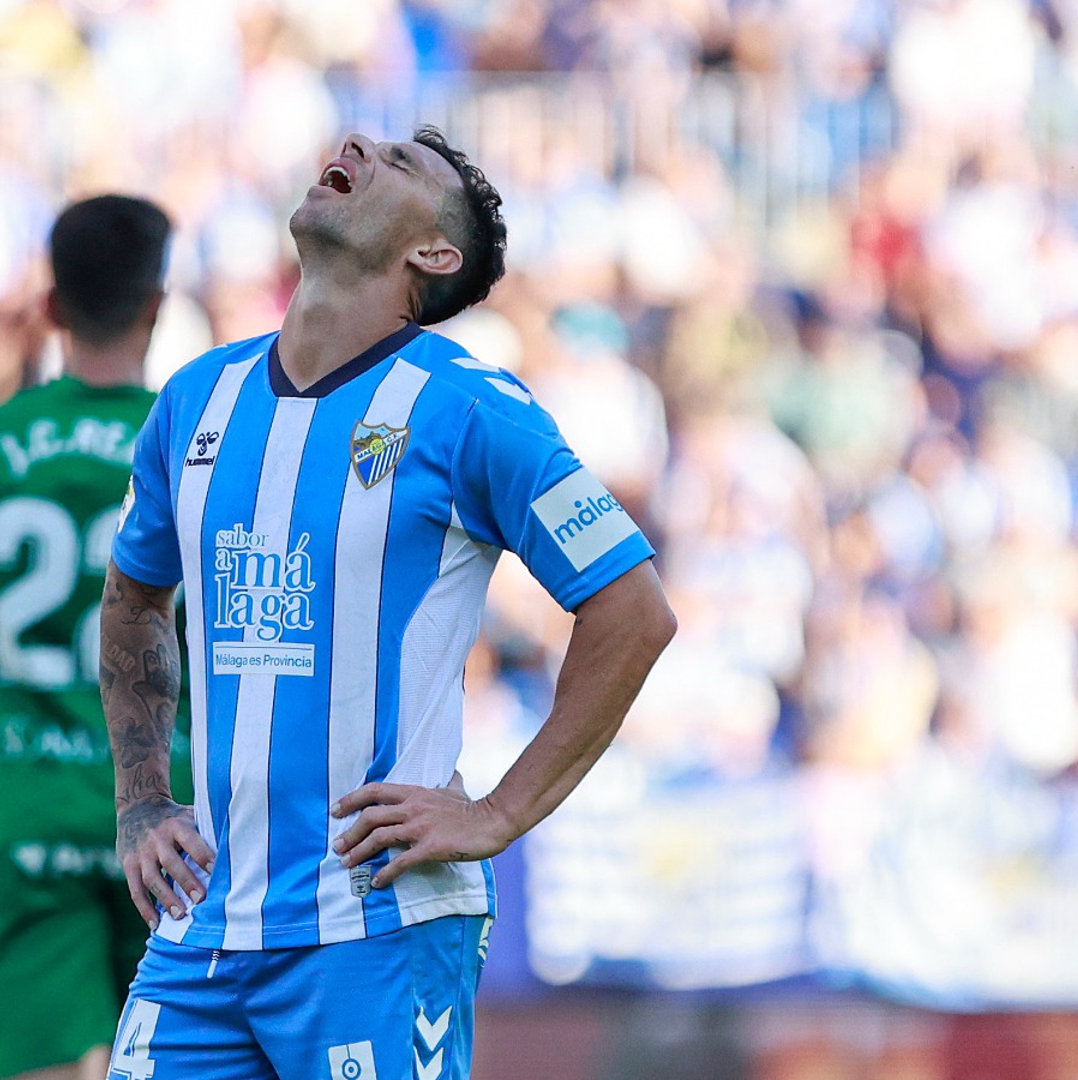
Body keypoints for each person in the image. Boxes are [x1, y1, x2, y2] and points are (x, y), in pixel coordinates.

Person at [98, 128, 676, 1080]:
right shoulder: (197, 398)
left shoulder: (472, 408)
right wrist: (140, 802)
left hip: (377, 924)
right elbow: (130, 604)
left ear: (433, 255)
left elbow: (634, 608)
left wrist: (494, 815)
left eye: (405, 164)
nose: (360, 144)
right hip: (202, 930)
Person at [0, 194, 189, 1080]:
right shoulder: (196, 444)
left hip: (29, 815)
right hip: (178, 820)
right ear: (156, 306)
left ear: (50, 307)